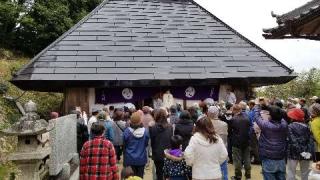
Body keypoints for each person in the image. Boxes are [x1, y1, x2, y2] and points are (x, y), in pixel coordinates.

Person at [253, 104, 288, 180]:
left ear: (271, 116)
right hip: (281, 158)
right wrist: (270, 108)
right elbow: (280, 115)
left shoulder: (266, 125)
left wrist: (258, 106)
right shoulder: (284, 124)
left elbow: (256, 117)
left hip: (268, 158)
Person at [286, 108, 313, 180]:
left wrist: (300, 151)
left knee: (291, 172)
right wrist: (307, 151)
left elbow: (293, 141)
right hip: (306, 153)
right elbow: (310, 141)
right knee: (305, 173)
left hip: (293, 153)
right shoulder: (307, 127)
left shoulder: (290, 126)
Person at [123, 112, 149, 178]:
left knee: (130, 178)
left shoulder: (126, 131)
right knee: (140, 177)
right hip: (141, 158)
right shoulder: (145, 132)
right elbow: (146, 144)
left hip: (129, 158)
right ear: (140, 121)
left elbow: (124, 145)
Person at [229, 104, 251, 180]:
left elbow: (229, 132)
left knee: (237, 160)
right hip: (246, 141)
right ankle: (248, 175)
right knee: (247, 158)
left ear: (235, 110)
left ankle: (238, 176)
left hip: (236, 142)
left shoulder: (233, 119)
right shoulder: (247, 118)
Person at [149, 109, 173, 180]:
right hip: (167, 153)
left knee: (159, 172)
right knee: (167, 173)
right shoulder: (170, 127)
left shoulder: (152, 128)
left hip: (157, 153)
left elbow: (152, 141)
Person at [207, 106, 228, 180]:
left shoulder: (205, 125)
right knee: (223, 173)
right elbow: (225, 139)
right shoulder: (224, 124)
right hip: (221, 151)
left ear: (208, 113)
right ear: (218, 113)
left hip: (209, 152)